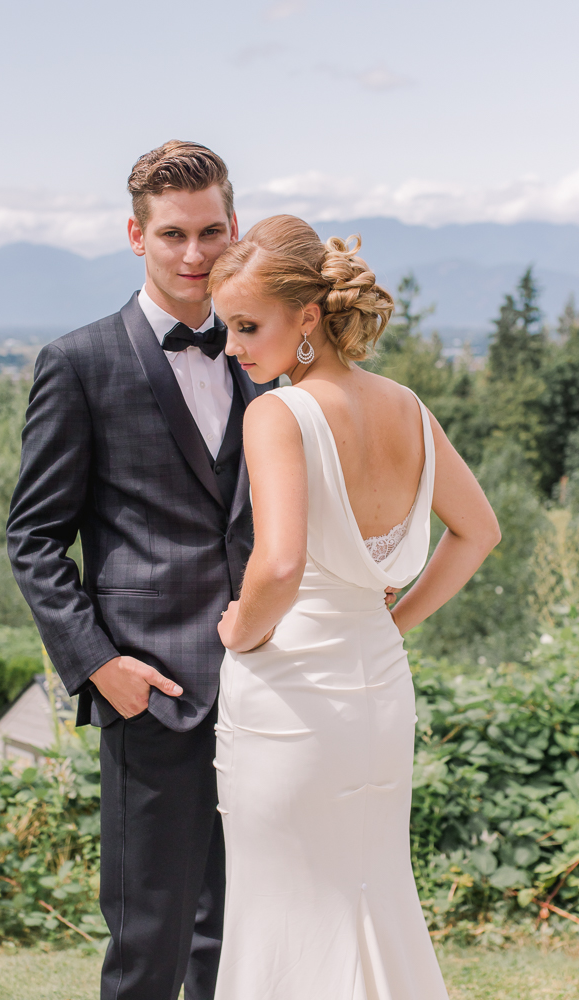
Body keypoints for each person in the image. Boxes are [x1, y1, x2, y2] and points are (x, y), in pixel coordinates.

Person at [7, 141, 275, 1000]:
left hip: (267, 691)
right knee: (148, 944)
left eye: (210, 232)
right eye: (171, 235)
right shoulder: (79, 364)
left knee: (237, 937)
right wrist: (99, 666)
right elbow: (35, 536)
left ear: (233, 230)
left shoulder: (264, 361)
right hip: (150, 690)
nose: (193, 255)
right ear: (135, 235)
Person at [208, 215, 501, 1000]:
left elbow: (278, 562)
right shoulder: (405, 405)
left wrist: (239, 626)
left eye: (246, 326)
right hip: (377, 688)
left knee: (281, 911)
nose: (232, 346)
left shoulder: (277, 413)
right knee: (370, 892)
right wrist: (389, 622)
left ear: (307, 318)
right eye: (226, 328)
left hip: (291, 697)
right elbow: (478, 532)